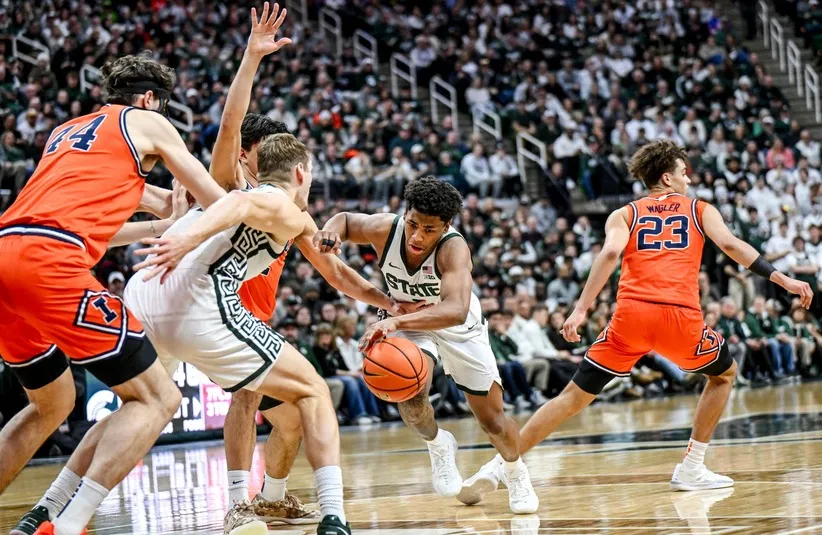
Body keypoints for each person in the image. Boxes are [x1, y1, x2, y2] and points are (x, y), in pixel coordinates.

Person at [460, 139, 813, 503]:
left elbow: (611, 252)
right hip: (679, 317)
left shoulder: (624, 214)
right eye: (683, 173)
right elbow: (734, 247)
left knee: (571, 398)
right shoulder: (699, 209)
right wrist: (783, 279)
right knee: (723, 374)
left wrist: (581, 309)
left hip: (630, 317)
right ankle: (692, 467)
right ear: (667, 177)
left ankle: (499, 464)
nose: (688, 179)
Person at [0, 52, 230, 535]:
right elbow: (215, 200)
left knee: (53, 404)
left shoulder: (68, 132)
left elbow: (98, 225)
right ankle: (67, 524)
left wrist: (165, 219)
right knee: (157, 398)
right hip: (49, 263)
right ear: (150, 99)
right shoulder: (147, 121)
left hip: (8, 251)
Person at [125, 133, 355, 535]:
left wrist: (384, 301)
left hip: (225, 314)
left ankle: (272, 498)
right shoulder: (233, 188)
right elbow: (227, 159)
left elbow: (332, 270)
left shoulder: (291, 211)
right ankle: (239, 505)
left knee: (295, 417)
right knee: (251, 397)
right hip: (211, 310)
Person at [313, 176, 538, 514]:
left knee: (492, 421)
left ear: (446, 226)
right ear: (405, 214)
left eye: (429, 229)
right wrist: (329, 230)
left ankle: (514, 471)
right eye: (413, 224)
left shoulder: (454, 248)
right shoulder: (385, 229)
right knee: (408, 393)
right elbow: (345, 220)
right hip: (410, 323)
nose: (417, 236)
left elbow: (456, 310)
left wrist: (396, 321)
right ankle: (438, 444)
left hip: (458, 328)